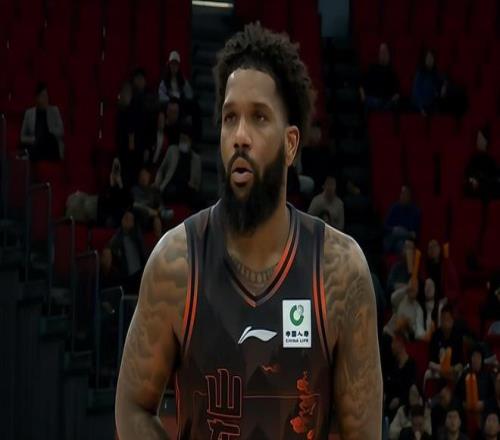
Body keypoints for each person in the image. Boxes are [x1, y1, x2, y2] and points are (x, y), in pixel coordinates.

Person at [116, 23, 382, 439]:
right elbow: (133, 405)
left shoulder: (340, 271)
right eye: (230, 118)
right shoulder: (176, 262)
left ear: (290, 144)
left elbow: (362, 433)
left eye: (258, 117)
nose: (240, 136)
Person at [154, 122, 202, 206]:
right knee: (170, 191)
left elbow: (197, 183)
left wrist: (193, 186)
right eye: (181, 139)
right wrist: (157, 182)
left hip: (187, 188)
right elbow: (161, 169)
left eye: (185, 139)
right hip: (171, 185)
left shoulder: (196, 159)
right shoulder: (172, 150)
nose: (182, 141)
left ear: (190, 141)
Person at [102, 210, 146, 295]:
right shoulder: (117, 237)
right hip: (123, 275)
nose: (126, 221)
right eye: (125, 218)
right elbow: (110, 248)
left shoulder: (137, 237)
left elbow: (143, 256)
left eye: (129, 219)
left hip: (138, 275)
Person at [20, 81, 64, 161]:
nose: (46, 98)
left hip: (51, 146)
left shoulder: (54, 110)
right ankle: (32, 154)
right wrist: (34, 139)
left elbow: (61, 131)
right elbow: (22, 137)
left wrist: (50, 132)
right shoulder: (29, 113)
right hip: (36, 145)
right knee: (36, 144)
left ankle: (29, 154)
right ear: (37, 98)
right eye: (43, 96)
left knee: (47, 139)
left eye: (47, 95)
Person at [425, 305, 464, 384]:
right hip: (438, 369)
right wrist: (440, 369)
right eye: (443, 318)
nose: (445, 322)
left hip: (452, 370)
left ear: (452, 320)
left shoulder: (457, 336)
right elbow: (430, 362)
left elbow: (461, 363)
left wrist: (451, 369)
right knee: (427, 374)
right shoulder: (436, 335)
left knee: (461, 374)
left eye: (448, 318)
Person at [131, 167, 173, 238]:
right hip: (142, 215)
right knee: (156, 217)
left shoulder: (152, 189)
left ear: (149, 177)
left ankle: (165, 236)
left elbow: (159, 202)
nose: (143, 178)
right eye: (142, 176)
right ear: (138, 178)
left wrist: (160, 208)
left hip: (155, 214)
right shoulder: (134, 190)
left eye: (145, 175)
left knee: (163, 215)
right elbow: (135, 204)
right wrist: (148, 210)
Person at [385, 333, 418, 420]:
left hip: (405, 409)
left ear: (400, 343)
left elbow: (411, 390)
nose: (391, 346)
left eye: (393, 342)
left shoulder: (411, 365)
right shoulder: (392, 365)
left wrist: (399, 401)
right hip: (389, 409)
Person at [360, 42, 400, 111]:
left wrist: (394, 98)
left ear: (389, 54)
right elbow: (362, 84)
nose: (383, 54)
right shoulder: (372, 68)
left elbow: (397, 92)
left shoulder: (392, 72)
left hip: (387, 102)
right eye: (381, 52)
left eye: (385, 52)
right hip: (372, 100)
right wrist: (363, 96)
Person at [464, 125, 500, 202]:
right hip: (475, 194)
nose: (478, 141)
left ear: (486, 142)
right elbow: (469, 174)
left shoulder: (491, 160)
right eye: (477, 139)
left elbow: (496, 177)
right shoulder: (474, 159)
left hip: (488, 192)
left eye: (480, 139)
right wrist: (473, 181)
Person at [455, 346, 494, 416]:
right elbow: (456, 396)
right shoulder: (464, 375)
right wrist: (463, 404)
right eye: (474, 356)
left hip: (483, 411)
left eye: (478, 357)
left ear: (482, 359)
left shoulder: (487, 376)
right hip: (466, 411)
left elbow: (493, 397)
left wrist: (484, 404)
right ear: (471, 359)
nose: (476, 359)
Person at [384, 185, 421, 253]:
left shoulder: (415, 211)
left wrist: (404, 233)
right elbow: (386, 226)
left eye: (405, 194)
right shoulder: (394, 208)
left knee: (401, 244)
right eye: (402, 193)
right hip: (393, 237)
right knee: (396, 233)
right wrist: (394, 229)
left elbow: (414, 234)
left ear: (410, 196)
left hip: (405, 240)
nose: (403, 196)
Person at [96, 158, 132, 228]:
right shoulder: (108, 181)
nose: (116, 168)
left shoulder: (124, 182)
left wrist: (120, 184)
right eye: (114, 165)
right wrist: (112, 186)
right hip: (108, 213)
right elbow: (105, 201)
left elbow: (126, 202)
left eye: (117, 166)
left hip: (120, 213)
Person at [425, 239, 460, 306]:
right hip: (428, 300)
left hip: (443, 300)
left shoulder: (447, 265)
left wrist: (447, 298)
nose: (432, 249)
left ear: (439, 248)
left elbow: (455, 288)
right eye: (430, 247)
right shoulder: (425, 266)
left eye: (435, 246)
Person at [412, 49, 447, 116]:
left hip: (432, 103)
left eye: (431, 58)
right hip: (421, 105)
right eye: (428, 58)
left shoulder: (435, 72)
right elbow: (416, 91)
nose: (429, 60)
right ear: (425, 59)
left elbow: (443, 78)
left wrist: (444, 85)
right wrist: (421, 107)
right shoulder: (420, 73)